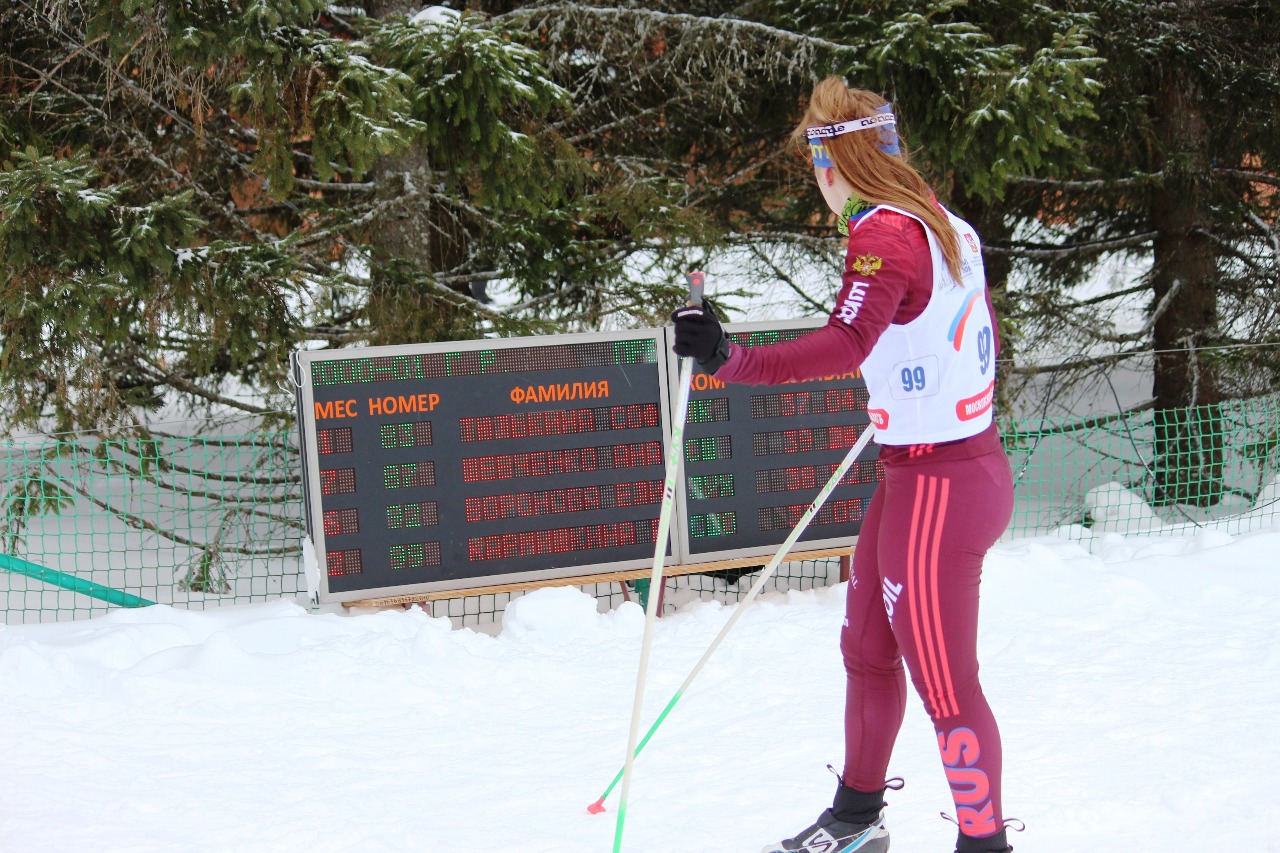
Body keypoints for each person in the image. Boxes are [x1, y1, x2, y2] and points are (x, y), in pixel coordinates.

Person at [672, 77, 1016, 853]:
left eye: (814, 163)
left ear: (836, 163)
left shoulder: (885, 233)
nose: (815, 180)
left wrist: (729, 359)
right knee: (866, 643)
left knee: (944, 684)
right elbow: (928, 334)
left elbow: (846, 342)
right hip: (924, 469)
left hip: (942, 482)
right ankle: (857, 814)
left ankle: (985, 842)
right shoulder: (936, 218)